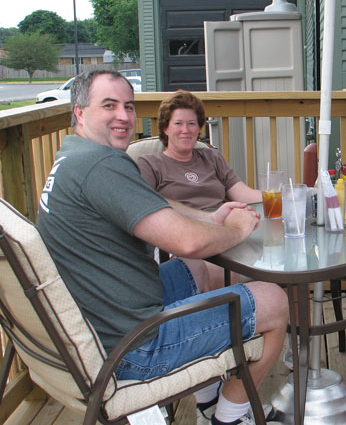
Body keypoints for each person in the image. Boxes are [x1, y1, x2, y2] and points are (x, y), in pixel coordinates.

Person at [36, 70, 288, 425]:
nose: (123, 116)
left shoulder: (74, 156)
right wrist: (235, 229)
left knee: (203, 269)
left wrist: (212, 221)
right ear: (80, 112)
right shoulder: (102, 166)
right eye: (109, 105)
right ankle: (229, 416)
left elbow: (163, 216)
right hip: (129, 345)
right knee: (275, 301)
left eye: (128, 105)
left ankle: (207, 404)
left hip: (105, 311)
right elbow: (187, 241)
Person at [137, 90, 262, 291]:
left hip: (225, 235)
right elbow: (146, 203)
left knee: (275, 266)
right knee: (229, 273)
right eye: (178, 123)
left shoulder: (211, 157)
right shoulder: (151, 164)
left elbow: (242, 194)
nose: (185, 130)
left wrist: (282, 195)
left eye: (192, 123)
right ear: (165, 128)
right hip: (184, 243)